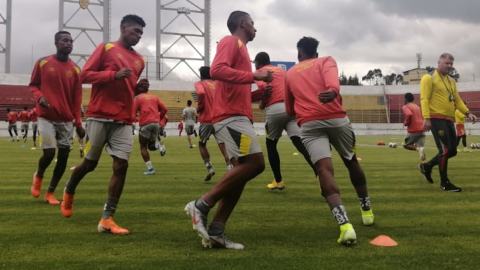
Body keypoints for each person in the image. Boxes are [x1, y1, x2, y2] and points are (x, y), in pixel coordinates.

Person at [184, 10, 273, 250]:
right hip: (231, 118)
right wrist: (254, 75)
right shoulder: (231, 41)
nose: (255, 28)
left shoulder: (242, 48)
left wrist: (258, 93)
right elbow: (217, 70)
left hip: (236, 115)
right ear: (242, 23)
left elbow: (234, 86)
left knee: (241, 173)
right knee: (255, 164)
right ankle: (201, 205)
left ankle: (217, 231)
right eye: (253, 24)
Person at [61, 14, 147, 235]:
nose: (139, 36)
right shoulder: (106, 48)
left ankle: (107, 219)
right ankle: (69, 188)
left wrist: (139, 89)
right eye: (135, 31)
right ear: (123, 27)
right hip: (99, 115)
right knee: (89, 164)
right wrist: (113, 75)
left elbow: (129, 87)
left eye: (141, 33)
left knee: (121, 165)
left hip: (124, 119)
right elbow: (85, 76)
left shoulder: (140, 60)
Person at [285, 36, 374, 245]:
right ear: (316, 52)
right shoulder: (326, 61)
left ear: (299, 53)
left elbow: (289, 109)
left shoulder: (289, 74)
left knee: (324, 170)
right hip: (336, 119)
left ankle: (345, 226)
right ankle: (367, 211)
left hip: (309, 124)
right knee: (351, 161)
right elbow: (333, 83)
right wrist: (332, 92)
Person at [29, 31, 84, 205]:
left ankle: (50, 192)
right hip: (46, 117)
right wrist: (39, 97)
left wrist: (78, 123)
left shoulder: (76, 69)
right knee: (49, 152)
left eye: (71, 41)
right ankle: (38, 175)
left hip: (66, 119)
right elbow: (33, 85)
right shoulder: (43, 62)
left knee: (64, 156)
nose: (69, 43)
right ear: (56, 43)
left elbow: (77, 99)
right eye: (64, 40)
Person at [252, 52, 316, 190]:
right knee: (300, 143)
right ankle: (321, 175)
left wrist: (262, 104)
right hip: (291, 107)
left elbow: (265, 89)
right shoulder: (281, 70)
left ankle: (278, 180)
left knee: (271, 144)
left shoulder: (260, 72)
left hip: (275, 109)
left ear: (257, 62)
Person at [418, 53, 477, 192]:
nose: (449, 66)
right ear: (439, 62)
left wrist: (468, 113)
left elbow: (457, 100)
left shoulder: (451, 81)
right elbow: (424, 99)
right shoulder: (429, 78)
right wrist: (426, 118)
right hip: (436, 118)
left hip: (449, 120)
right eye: (447, 63)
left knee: (452, 151)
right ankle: (444, 184)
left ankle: (427, 167)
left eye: (451, 64)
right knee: (444, 150)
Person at [195, 66, 233, 182]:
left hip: (206, 119)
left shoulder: (199, 83)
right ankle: (230, 168)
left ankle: (209, 168)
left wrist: (200, 107)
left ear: (201, 75)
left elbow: (201, 93)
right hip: (219, 119)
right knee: (223, 144)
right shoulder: (217, 84)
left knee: (202, 144)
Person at [135, 85, 168, 175]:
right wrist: (159, 118)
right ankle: (159, 146)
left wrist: (135, 118)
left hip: (146, 124)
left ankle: (150, 169)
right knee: (150, 146)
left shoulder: (138, 98)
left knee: (143, 147)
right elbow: (164, 109)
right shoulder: (154, 97)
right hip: (156, 123)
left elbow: (133, 111)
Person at [401, 93, 426, 162]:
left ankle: (418, 149)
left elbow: (409, 114)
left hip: (413, 130)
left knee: (405, 145)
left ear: (406, 99)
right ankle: (425, 163)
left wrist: (406, 122)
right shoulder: (417, 106)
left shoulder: (405, 106)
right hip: (422, 129)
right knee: (421, 148)